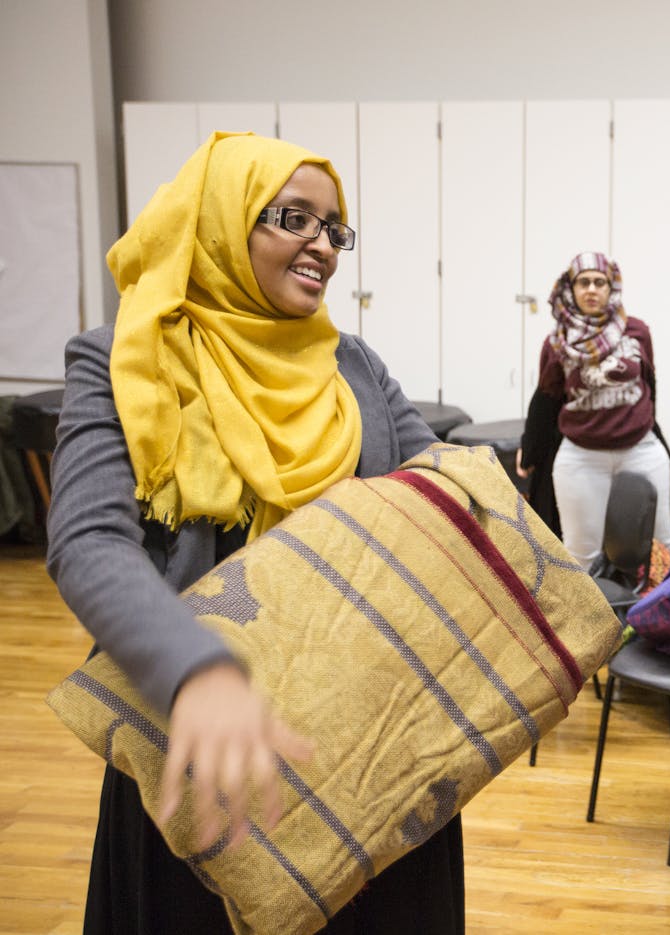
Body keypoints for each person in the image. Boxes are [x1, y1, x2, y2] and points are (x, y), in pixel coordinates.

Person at [46, 132, 463, 934]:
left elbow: (436, 491)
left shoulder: (356, 369)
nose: (323, 246)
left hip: (364, 753)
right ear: (221, 220)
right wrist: (201, 672)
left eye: (334, 228)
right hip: (207, 753)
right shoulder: (124, 359)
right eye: (294, 218)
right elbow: (89, 541)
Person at [516, 251, 670, 568]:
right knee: (582, 556)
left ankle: (658, 616)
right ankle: (592, 618)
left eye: (599, 282)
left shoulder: (637, 332)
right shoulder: (557, 343)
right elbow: (547, 397)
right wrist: (530, 448)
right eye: (583, 283)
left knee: (661, 548)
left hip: (641, 451)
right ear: (571, 289)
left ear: (612, 289)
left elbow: (650, 384)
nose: (591, 289)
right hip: (581, 459)